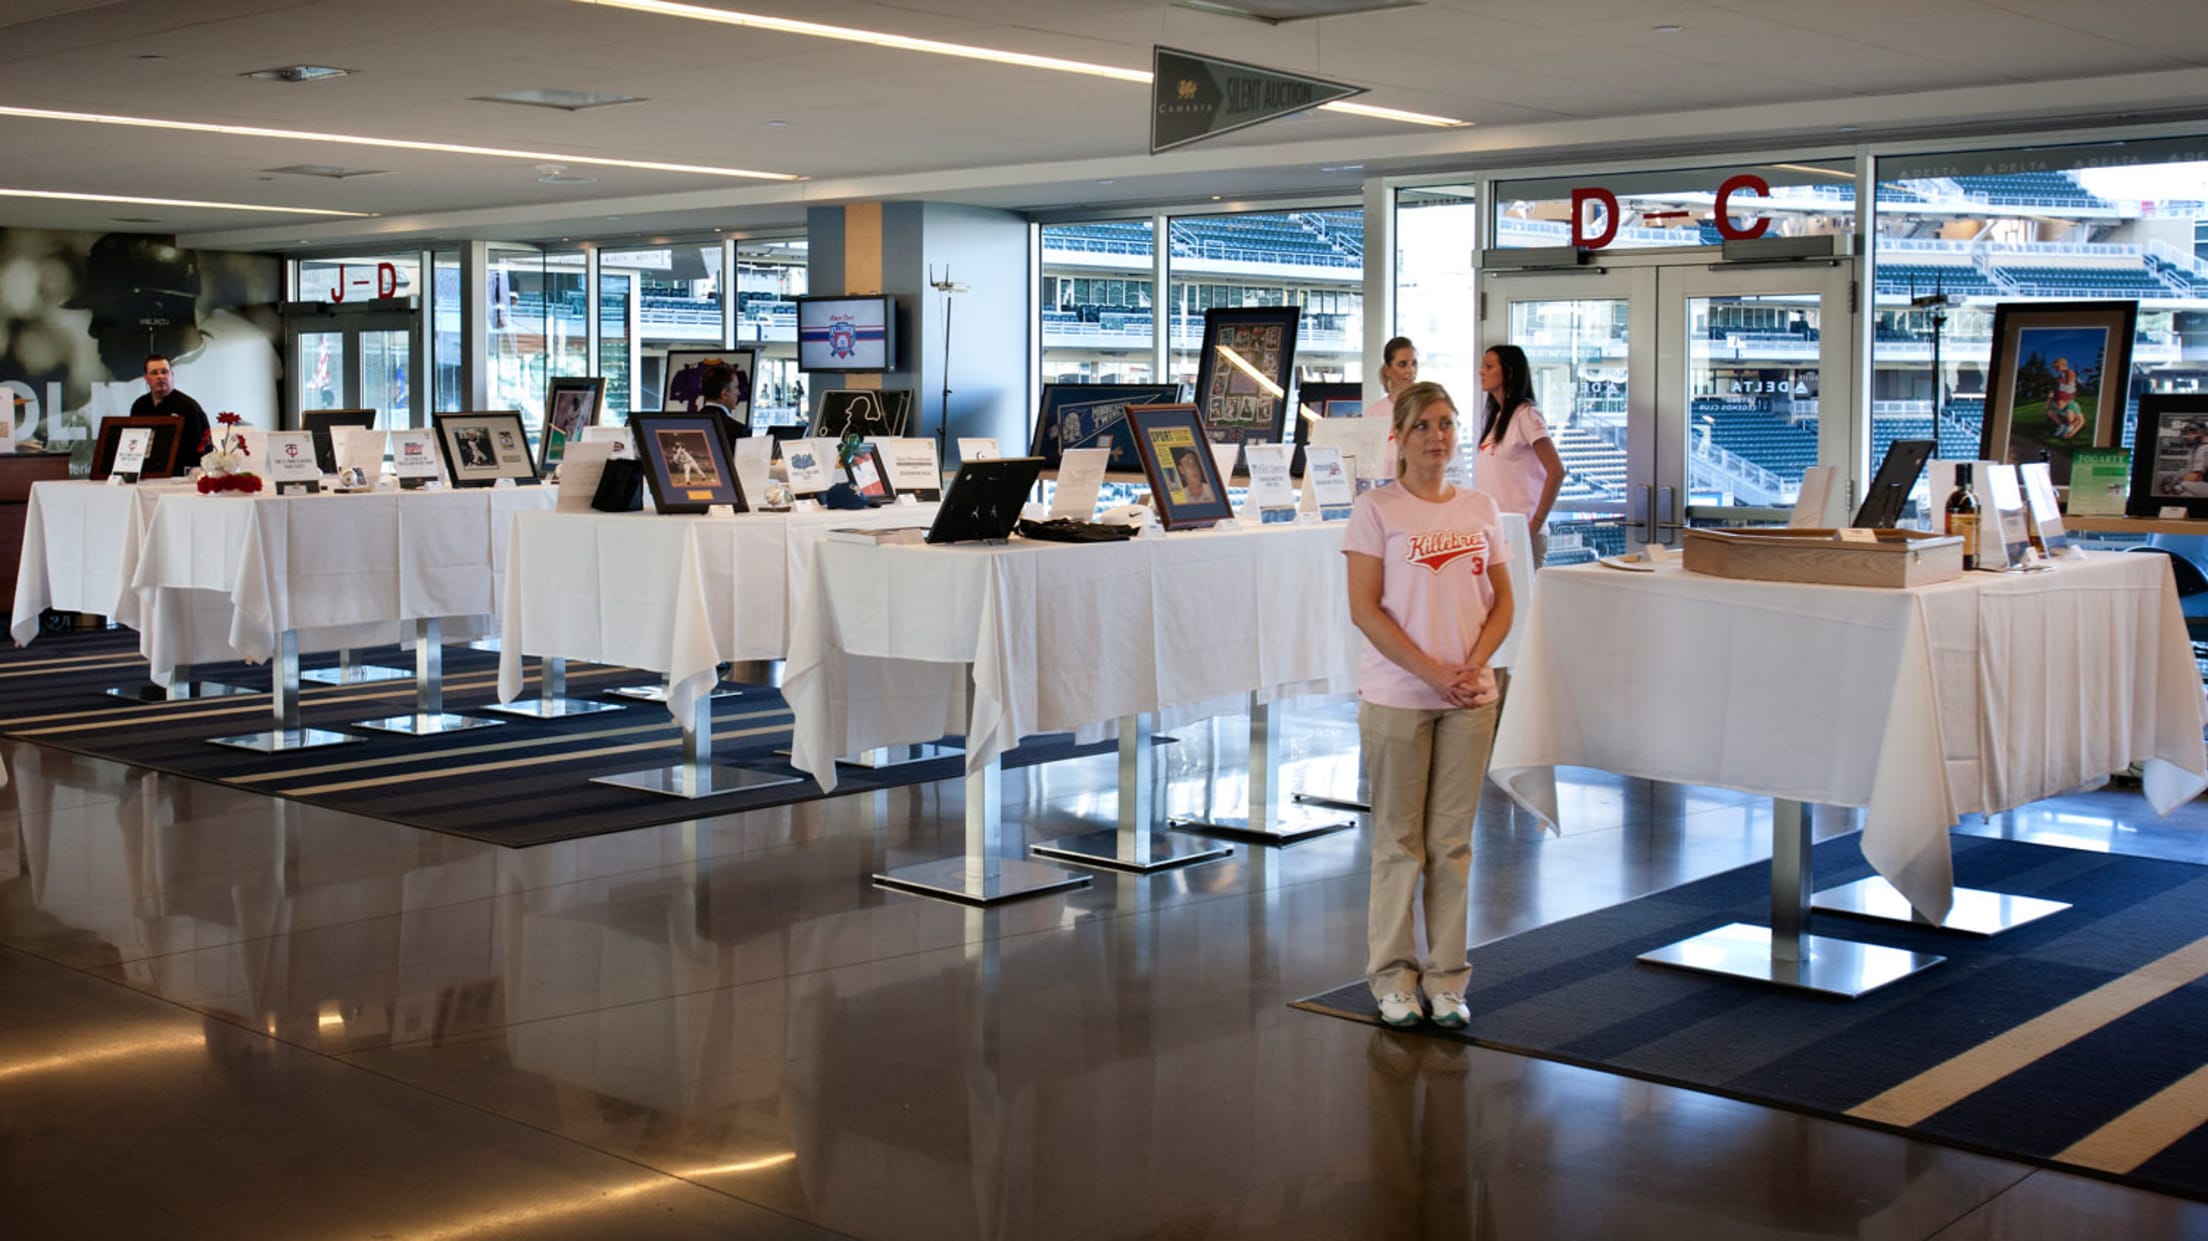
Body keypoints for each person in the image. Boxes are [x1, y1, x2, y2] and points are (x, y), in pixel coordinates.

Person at [1344, 380, 1514, 1031]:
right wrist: (1432, 671)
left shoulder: (1480, 507)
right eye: (1423, 426)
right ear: (1401, 436)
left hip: (1469, 699)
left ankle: (1446, 979)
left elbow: (1503, 602)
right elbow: (1365, 609)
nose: (1437, 436)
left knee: (1453, 843)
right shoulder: (1376, 510)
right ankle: (1392, 976)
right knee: (1399, 843)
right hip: (1398, 699)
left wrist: (1472, 667)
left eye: (1446, 424)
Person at [1472, 344, 1566, 567]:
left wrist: (1535, 524)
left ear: (1510, 372)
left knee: (1523, 601)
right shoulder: (1498, 417)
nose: (1481, 372)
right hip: (1495, 531)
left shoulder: (1527, 415)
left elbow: (1556, 471)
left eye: (1489, 366)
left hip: (1522, 532)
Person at [130, 354, 211, 461]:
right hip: (147, 470)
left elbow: (203, 448)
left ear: (171, 374)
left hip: (180, 473)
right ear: (146, 377)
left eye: (164, 372)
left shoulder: (189, 407)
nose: (160, 376)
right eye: (154, 373)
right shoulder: (139, 406)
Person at [1361, 336, 1418, 477]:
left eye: (1414, 363)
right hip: (1384, 493)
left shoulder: (1426, 410)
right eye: (1403, 364)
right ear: (1388, 369)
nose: (1410, 371)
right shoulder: (1373, 415)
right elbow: (1365, 466)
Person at [700, 364, 750, 449]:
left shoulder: (687, 424)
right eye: (736, 387)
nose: (738, 393)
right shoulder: (738, 430)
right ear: (724, 394)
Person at [2046, 358, 2085, 439]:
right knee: (2054, 410)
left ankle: (2070, 427)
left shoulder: (2069, 372)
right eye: (2055, 367)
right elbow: (2061, 384)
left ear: (2064, 365)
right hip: (2062, 396)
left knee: (2070, 410)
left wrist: (2059, 381)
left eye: (2057, 366)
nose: (2056, 369)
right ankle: (2063, 425)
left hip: (2069, 396)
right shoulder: (2062, 374)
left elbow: (2069, 381)